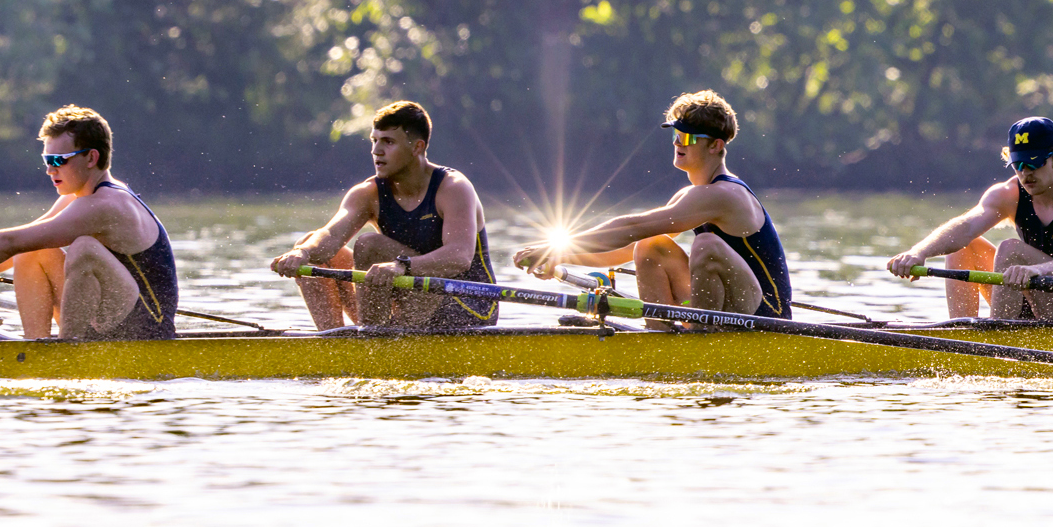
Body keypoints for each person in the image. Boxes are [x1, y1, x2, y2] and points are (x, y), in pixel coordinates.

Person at [511, 89, 792, 328]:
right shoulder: (692, 196)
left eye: (689, 138)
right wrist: (560, 258)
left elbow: (631, 226)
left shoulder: (725, 194)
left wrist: (553, 247)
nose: (678, 143)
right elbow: (625, 247)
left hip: (768, 318)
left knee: (706, 244)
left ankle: (700, 340)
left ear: (715, 145)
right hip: (732, 308)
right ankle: (660, 339)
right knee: (648, 246)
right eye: (676, 135)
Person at [0, 105, 178, 339]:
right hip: (109, 318)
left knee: (84, 249)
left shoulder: (107, 205)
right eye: (46, 159)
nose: (49, 169)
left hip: (146, 329)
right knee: (31, 250)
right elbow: (13, 249)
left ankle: (67, 353)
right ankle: (35, 348)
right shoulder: (77, 198)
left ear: (92, 158)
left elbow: (7, 242)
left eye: (58, 159)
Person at [268, 101, 497, 330]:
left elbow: (459, 257)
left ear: (417, 147)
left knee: (370, 245)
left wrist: (401, 266)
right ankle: (333, 343)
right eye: (374, 140)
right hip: (409, 301)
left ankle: (372, 342)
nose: (376, 151)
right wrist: (302, 252)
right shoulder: (367, 193)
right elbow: (330, 234)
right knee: (311, 247)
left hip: (466, 306)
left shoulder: (453, 189)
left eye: (388, 142)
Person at [885, 117, 1053, 320]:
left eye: (1034, 163)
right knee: (963, 247)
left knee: (1010, 250)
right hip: (1033, 292)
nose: (1025, 173)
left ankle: (996, 340)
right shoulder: (1009, 194)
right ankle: (962, 339)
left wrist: (1037, 270)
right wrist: (919, 252)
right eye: (1018, 164)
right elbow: (965, 227)